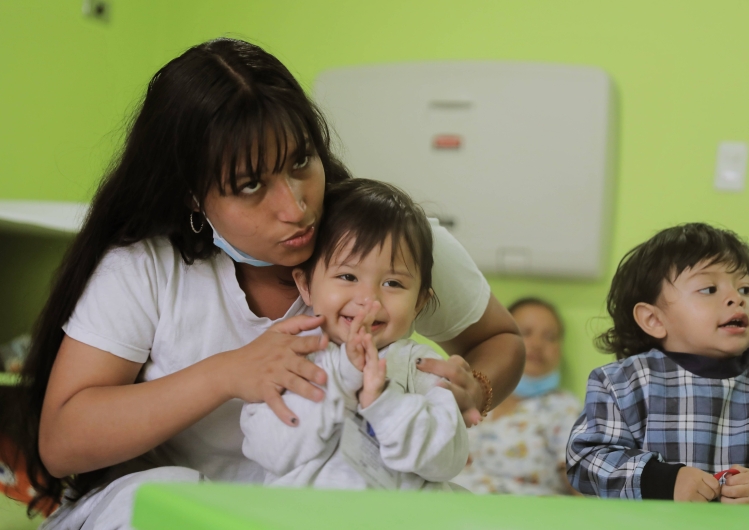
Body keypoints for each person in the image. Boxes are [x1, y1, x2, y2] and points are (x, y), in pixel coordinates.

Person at [13, 38, 524, 528]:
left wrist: (473, 389)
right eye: (251, 185)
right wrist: (225, 374)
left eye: (301, 162)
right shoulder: (146, 269)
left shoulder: (390, 249)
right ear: (193, 195)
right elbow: (61, 443)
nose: (295, 207)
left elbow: (499, 340)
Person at [567, 223, 749, 510]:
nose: (737, 298)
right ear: (654, 319)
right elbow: (586, 459)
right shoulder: (621, 383)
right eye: (709, 288)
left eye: (745, 288)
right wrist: (662, 480)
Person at [240, 178, 468, 490]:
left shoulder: (422, 365)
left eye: (393, 283)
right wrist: (343, 379)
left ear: (419, 303)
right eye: (347, 276)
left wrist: (385, 404)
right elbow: (268, 450)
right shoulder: (289, 358)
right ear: (305, 285)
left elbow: (447, 459)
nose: (368, 299)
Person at [453, 298, 582, 495]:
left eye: (550, 337)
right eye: (525, 333)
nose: (537, 344)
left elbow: (584, 487)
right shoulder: (467, 398)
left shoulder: (564, 408)